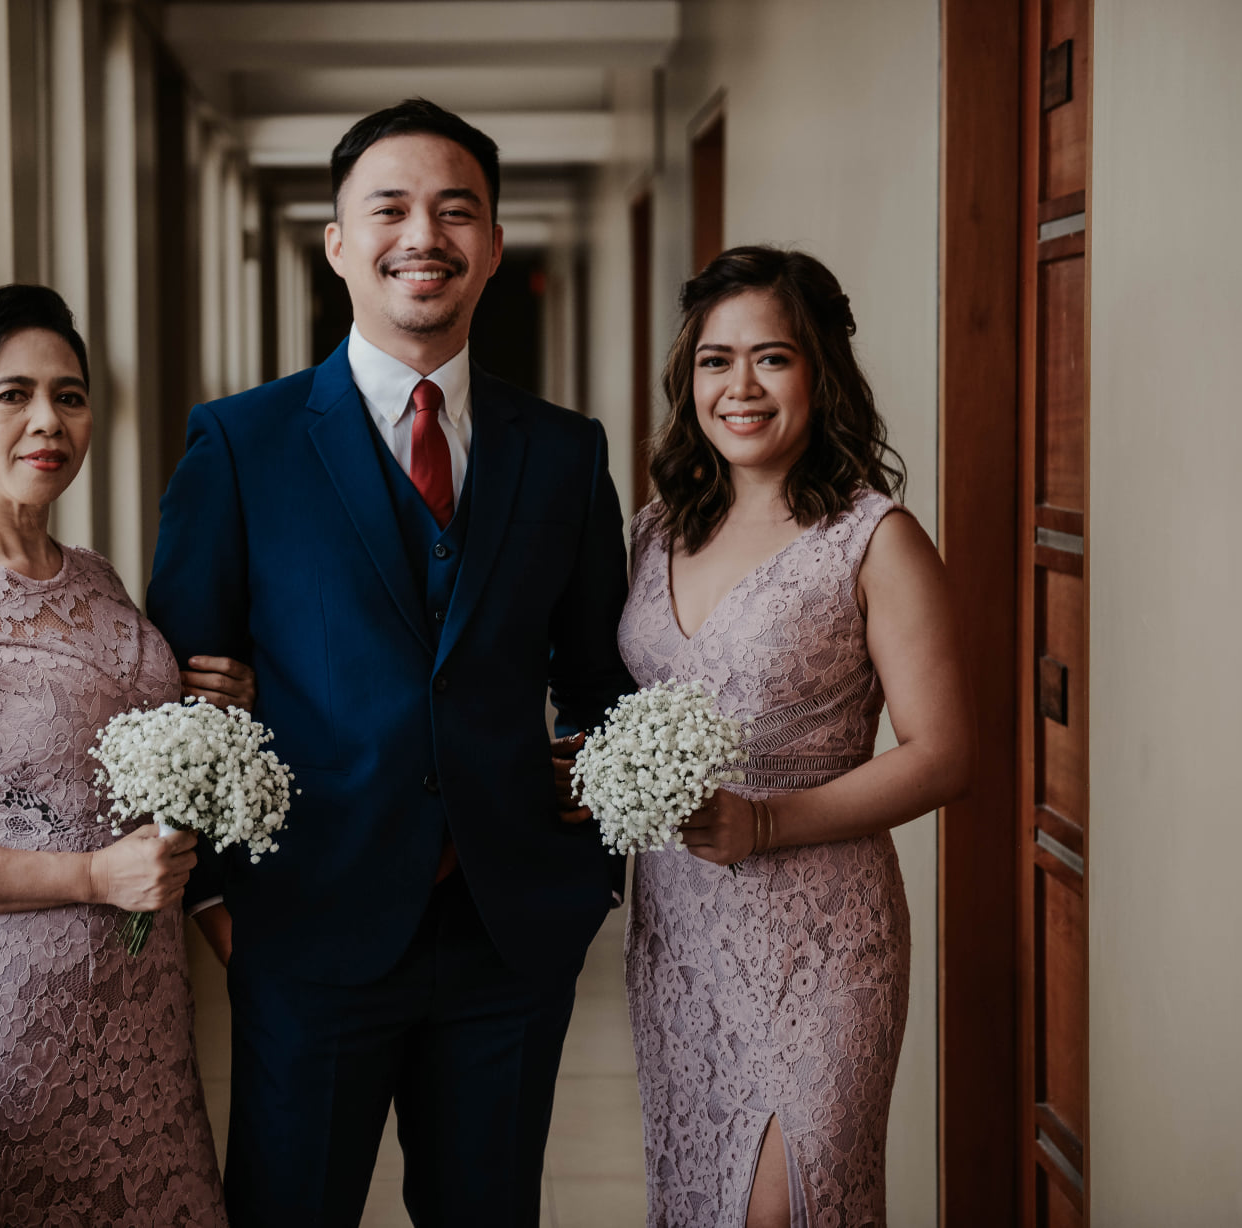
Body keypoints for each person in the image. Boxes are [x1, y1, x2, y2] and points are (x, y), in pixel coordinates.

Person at [146, 99, 634, 1227]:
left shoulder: (565, 452)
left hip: (507, 937)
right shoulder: (241, 443)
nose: (425, 235)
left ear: (494, 246)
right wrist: (217, 899)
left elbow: (599, 683)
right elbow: (178, 695)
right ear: (337, 242)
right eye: (391, 209)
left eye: (456, 211)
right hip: (305, 925)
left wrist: (586, 869)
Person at [0, 284, 254, 1227]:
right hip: (16, 1019)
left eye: (69, 396)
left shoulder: (96, 578)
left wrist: (212, 704)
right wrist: (95, 876)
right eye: (13, 396)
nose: (49, 421)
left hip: (141, 1003)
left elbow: (120, 752)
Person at [618, 247, 972, 1228]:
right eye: (715, 360)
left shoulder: (874, 538)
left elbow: (944, 753)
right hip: (677, 934)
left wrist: (766, 824)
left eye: (771, 358)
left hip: (820, 941)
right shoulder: (654, 532)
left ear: (820, 374)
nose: (739, 387)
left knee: (782, 1210)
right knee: (700, 1203)